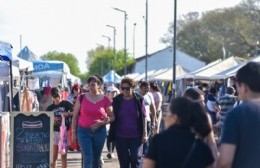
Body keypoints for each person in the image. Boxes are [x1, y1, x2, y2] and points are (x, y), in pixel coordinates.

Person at [144, 97, 214, 168]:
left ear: (175, 117)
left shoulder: (158, 141)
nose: (164, 118)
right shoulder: (202, 147)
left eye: (167, 113)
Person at [217, 62, 260, 168]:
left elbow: (225, 161)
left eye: (237, 85)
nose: (237, 90)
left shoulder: (237, 114)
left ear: (244, 87)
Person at [71, 76, 115, 168]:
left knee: (96, 158)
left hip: (99, 132)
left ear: (99, 85)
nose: (90, 87)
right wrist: (73, 133)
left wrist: (102, 122)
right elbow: (75, 116)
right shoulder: (81, 98)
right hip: (83, 131)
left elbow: (112, 116)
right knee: (88, 158)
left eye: (93, 85)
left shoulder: (105, 99)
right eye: (89, 85)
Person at [108, 77, 148, 168]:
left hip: (136, 135)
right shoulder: (117, 100)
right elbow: (112, 114)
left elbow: (144, 117)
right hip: (120, 136)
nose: (125, 90)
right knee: (124, 162)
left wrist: (144, 134)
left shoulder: (139, 99)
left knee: (135, 159)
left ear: (132, 87)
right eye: (123, 88)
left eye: (127, 88)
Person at [184, 88, 218, 166]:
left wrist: (216, 163)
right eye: (200, 101)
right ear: (189, 101)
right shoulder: (179, 119)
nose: (203, 104)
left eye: (203, 101)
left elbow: (212, 144)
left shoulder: (205, 118)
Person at [46, 87, 74, 168]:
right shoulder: (50, 108)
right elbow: (46, 120)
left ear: (61, 94)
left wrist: (68, 114)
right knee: (54, 156)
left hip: (65, 132)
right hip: (55, 132)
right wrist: (52, 118)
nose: (57, 99)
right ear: (52, 97)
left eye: (58, 96)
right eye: (54, 97)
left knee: (63, 155)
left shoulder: (66, 103)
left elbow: (76, 110)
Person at [139, 81, 157, 155]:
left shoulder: (149, 95)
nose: (148, 90)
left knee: (147, 138)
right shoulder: (136, 95)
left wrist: (154, 120)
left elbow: (153, 108)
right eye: (146, 88)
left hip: (148, 120)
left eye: (149, 88)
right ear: (141, 88)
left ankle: (145, 154)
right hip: (138, 121)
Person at [105, 85, 120, 159]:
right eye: (112, 92)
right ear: (108, 93)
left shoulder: (118, 101)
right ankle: (109, 151)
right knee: (108, 136)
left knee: (114, 137)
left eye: (115, 92)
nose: (113, 94)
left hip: (116, 122)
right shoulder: (105, 101)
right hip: (107, 121)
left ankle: (111, 151)